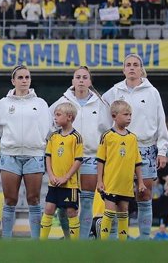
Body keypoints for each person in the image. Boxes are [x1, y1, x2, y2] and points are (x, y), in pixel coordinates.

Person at [103, 54, 168, 240]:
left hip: (146, 147)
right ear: (123, 69)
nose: (132, 68)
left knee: (144, 194)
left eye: (135, 65)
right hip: (119, 148)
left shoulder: (152, 92)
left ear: (141, 69)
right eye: (128, 65)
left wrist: (162, 150)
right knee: (115, 195)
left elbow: (160, 121)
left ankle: (144, 237)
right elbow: (102, 113)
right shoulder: (115, 91)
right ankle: (115, 236)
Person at [0, 65, 53, 238]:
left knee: (34, 200)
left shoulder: (40, 104)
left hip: (34, 156)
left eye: (27, 77)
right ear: (13, 81)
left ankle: (36, 240)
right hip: (10, 156)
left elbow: (49, 131)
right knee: (10, 200)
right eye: (20, 78)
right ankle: (7, 239)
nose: (24, 80)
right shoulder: (3, 104)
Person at [49, 66, 111, 239]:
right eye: (78, 77)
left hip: (90, 157)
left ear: (90, 82)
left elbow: (108, 130)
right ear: (73, 81)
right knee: (63, 204)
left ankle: (82, 239)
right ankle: (69, 237)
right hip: (66, 159)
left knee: (86, 201)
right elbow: (49, 125)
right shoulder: (62, 101)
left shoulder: (100, 103)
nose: (81, 80)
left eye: (85, 77)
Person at [97, 100, 145, 241]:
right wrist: (99, 180)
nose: (129, 117)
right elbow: (101, 160)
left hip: (126, 185)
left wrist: (140, 182)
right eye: (125, 114)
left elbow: (137, 162)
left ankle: (122, 244)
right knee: (109, 212)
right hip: (111, 183)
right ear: (114, 116)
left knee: (124, 212)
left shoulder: (132, 138)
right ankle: (103, 243)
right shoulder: (107, 136)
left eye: (130, 114)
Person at [40, 103, 83, 240]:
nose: (55, 118)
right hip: (54, 182)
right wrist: (51, 175)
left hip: (69, 184)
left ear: (69, 117)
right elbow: (48, 157)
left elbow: (78, 160)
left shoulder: (76, 137)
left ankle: (73, 244)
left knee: (71, 212)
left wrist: (66, 177)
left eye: (58, 115)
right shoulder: (53, 137)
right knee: (48, 209)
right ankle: (42, 242)